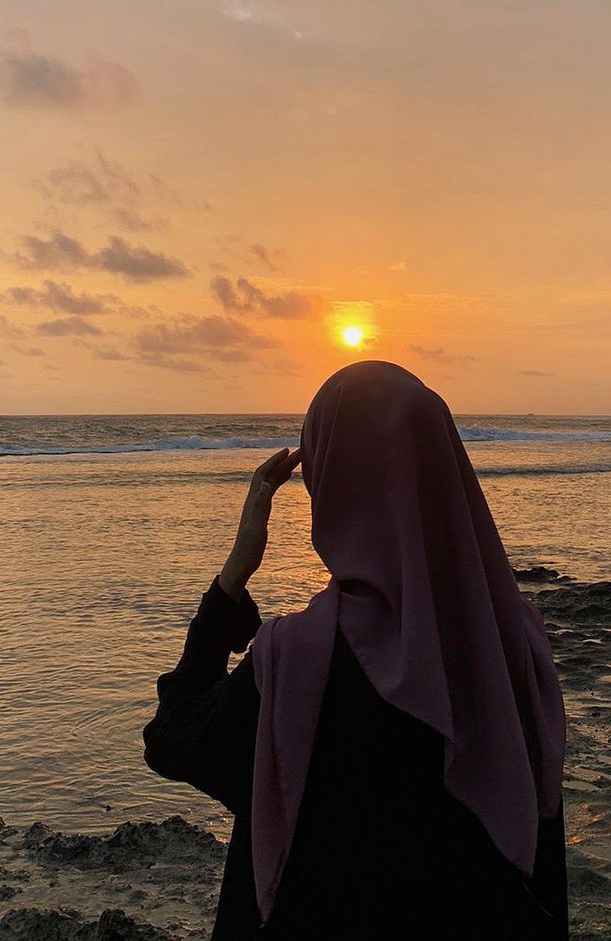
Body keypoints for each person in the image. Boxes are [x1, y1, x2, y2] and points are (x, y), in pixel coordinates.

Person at [143, 360, 568, 939]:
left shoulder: (299, 660)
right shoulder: (514, 641)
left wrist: (231, 581)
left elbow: (174, 741)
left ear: (329, 483)